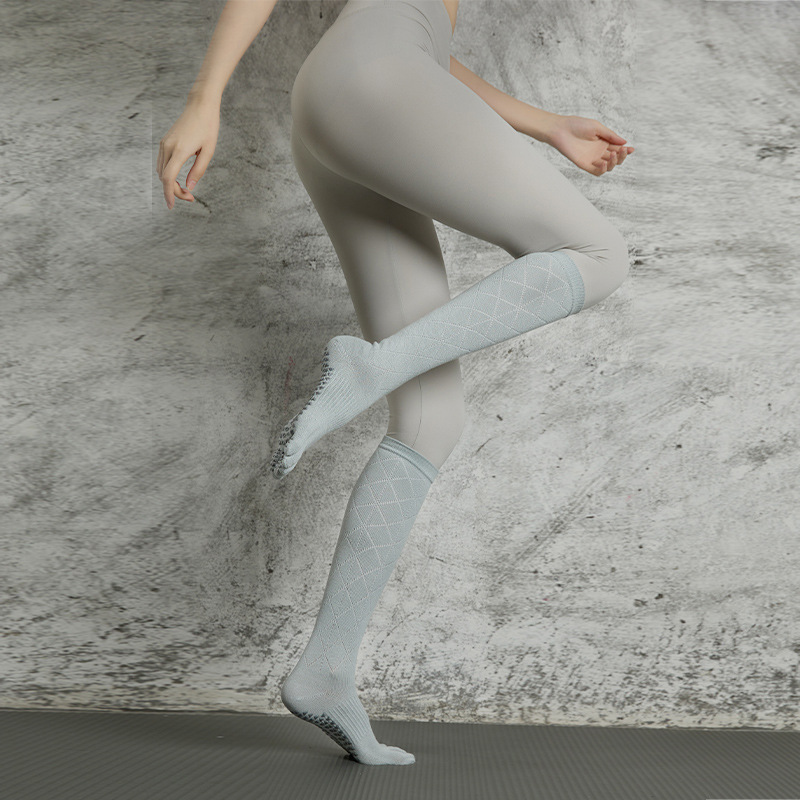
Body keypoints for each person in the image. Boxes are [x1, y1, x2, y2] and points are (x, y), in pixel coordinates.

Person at [157, 0, 634, 766]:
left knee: (430, 422)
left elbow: (422, 39)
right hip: (376, 85)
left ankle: (326, 671)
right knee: (597, 254)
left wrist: (544, 123)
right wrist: (203, 97)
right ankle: (370, 365)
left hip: (354, 100)